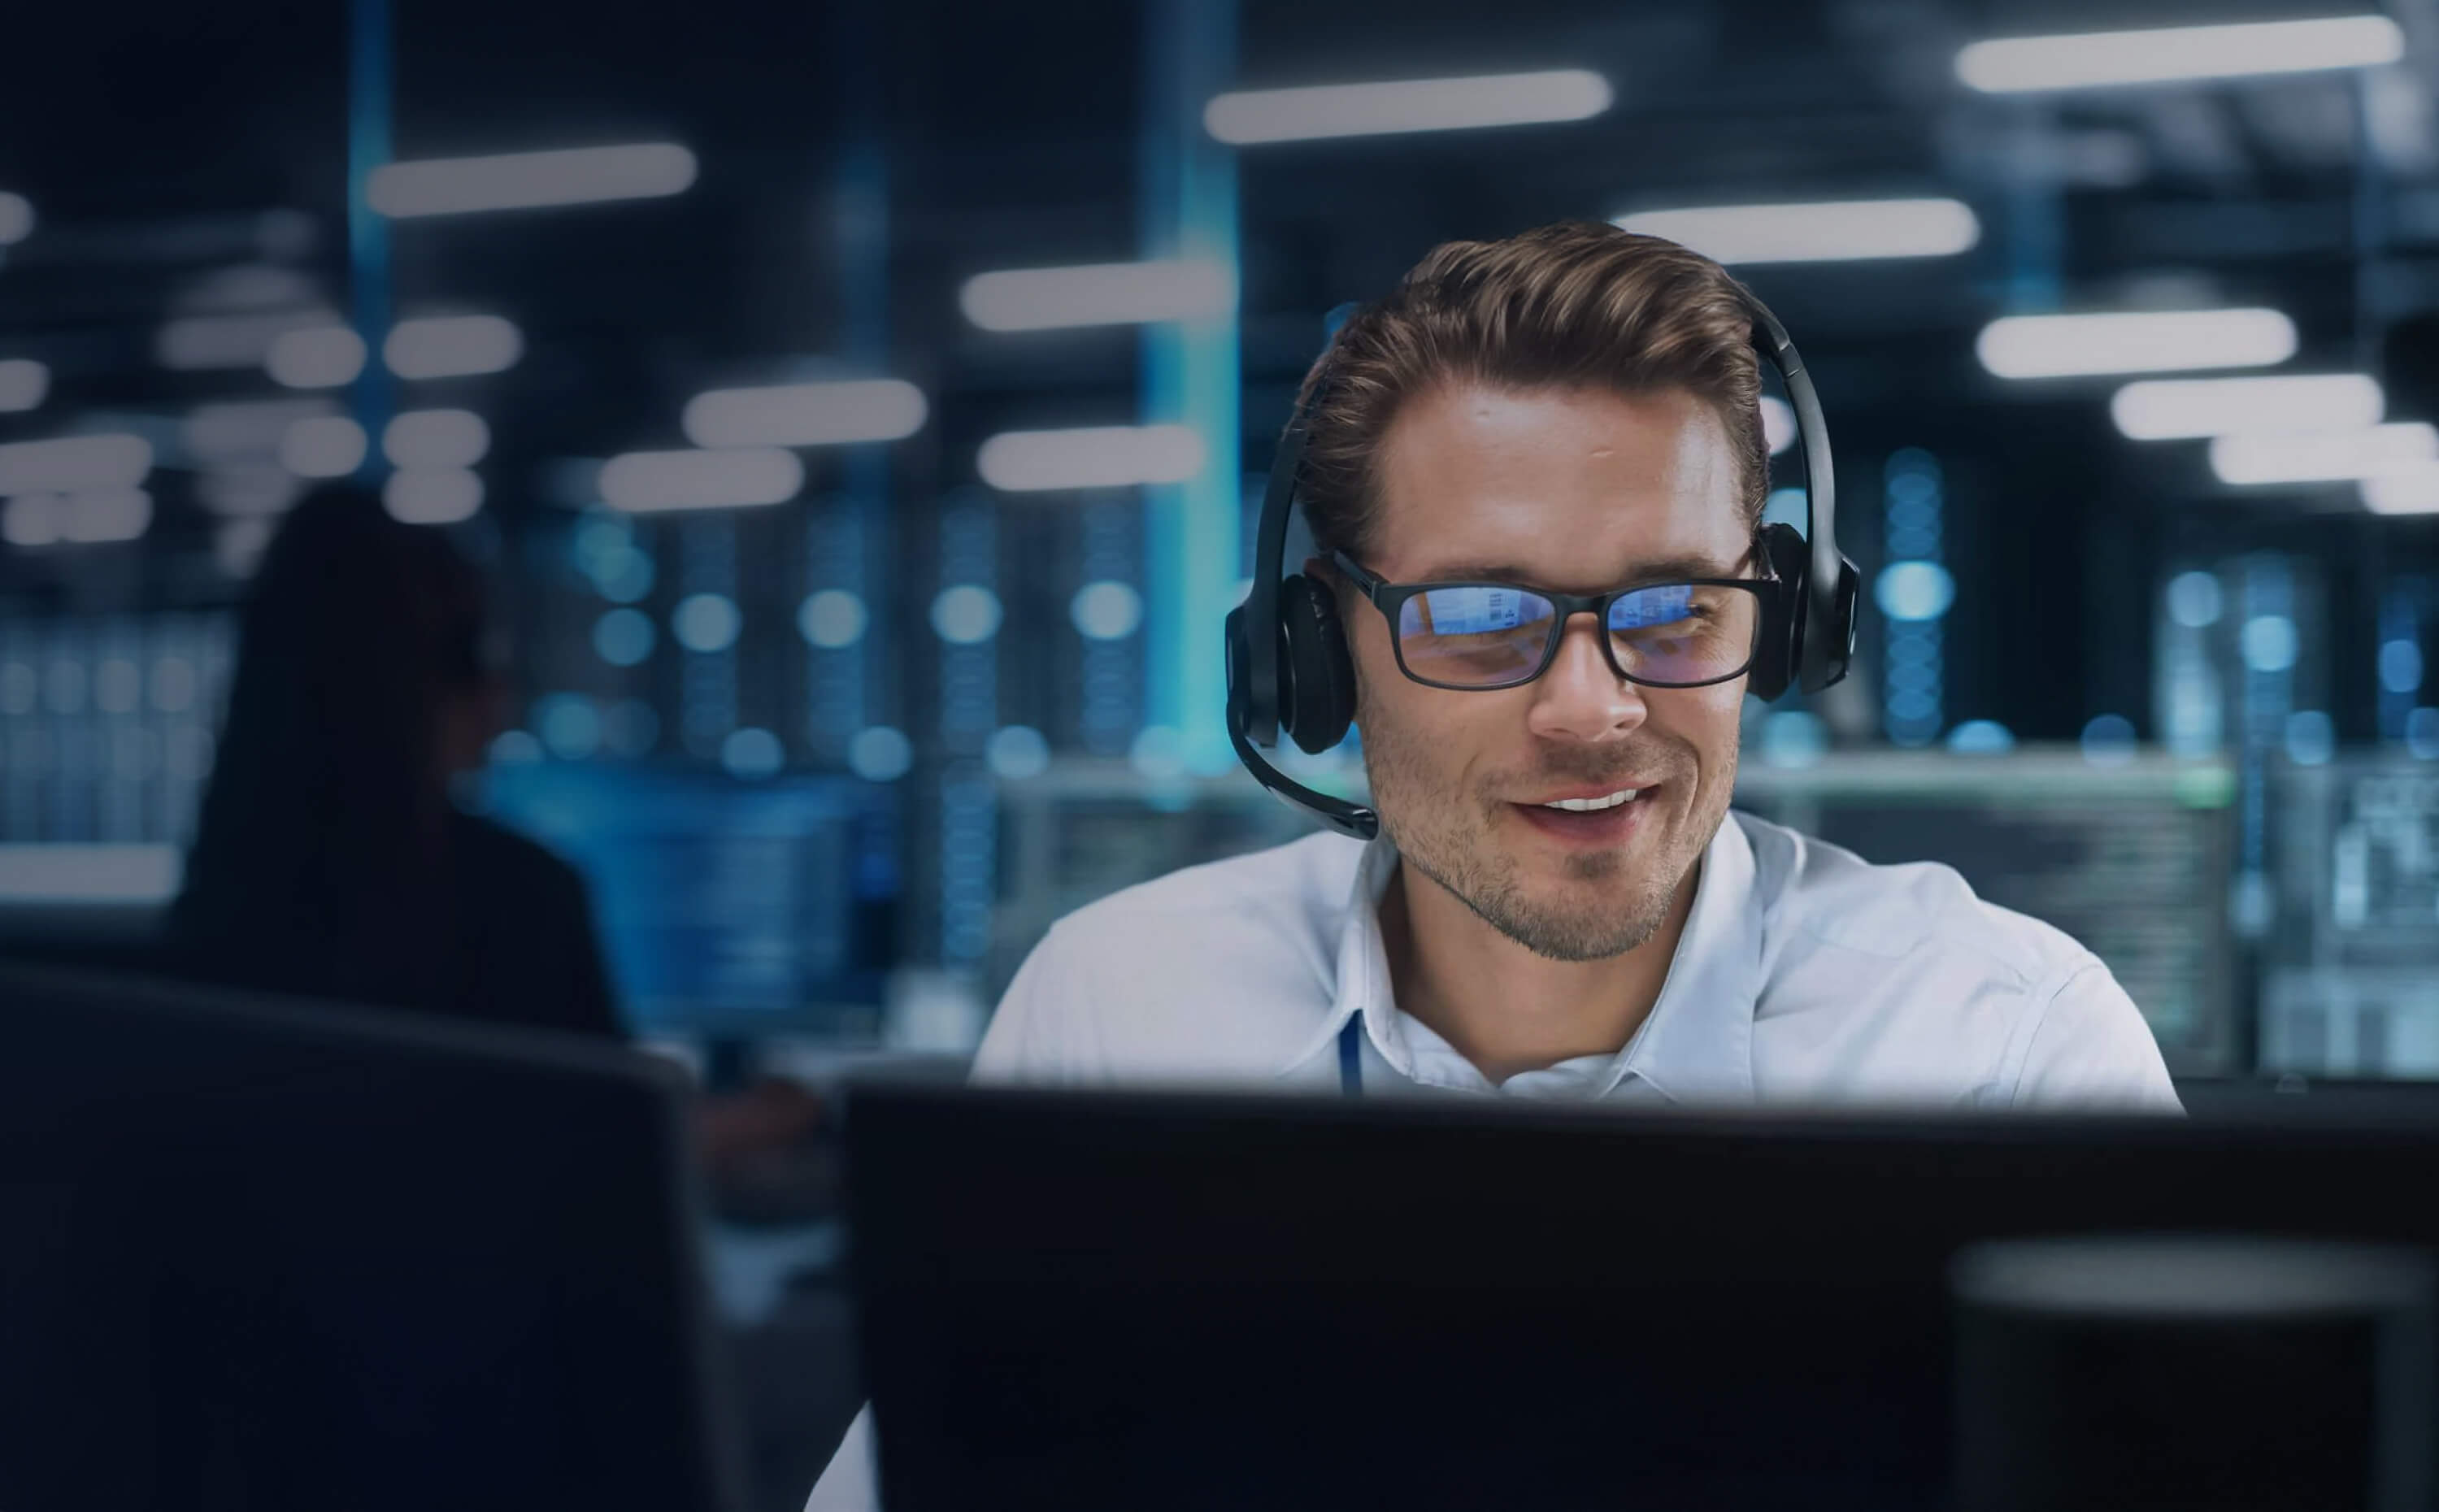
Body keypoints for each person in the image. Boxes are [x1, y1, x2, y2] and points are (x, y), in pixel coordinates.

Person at [805, 220, 2176, 1508]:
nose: (1593, 710)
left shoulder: (2002, 1050)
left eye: (1677, 609)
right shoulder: (1123, 1010)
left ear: (1783, 623)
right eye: (1476, 617)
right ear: (1318, 650)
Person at [163, 484, 623, 1037]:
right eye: (473, 656)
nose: (498, 697)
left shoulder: (224, 909)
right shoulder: (526, 905)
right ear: (406, 688)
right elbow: (607, 1092)